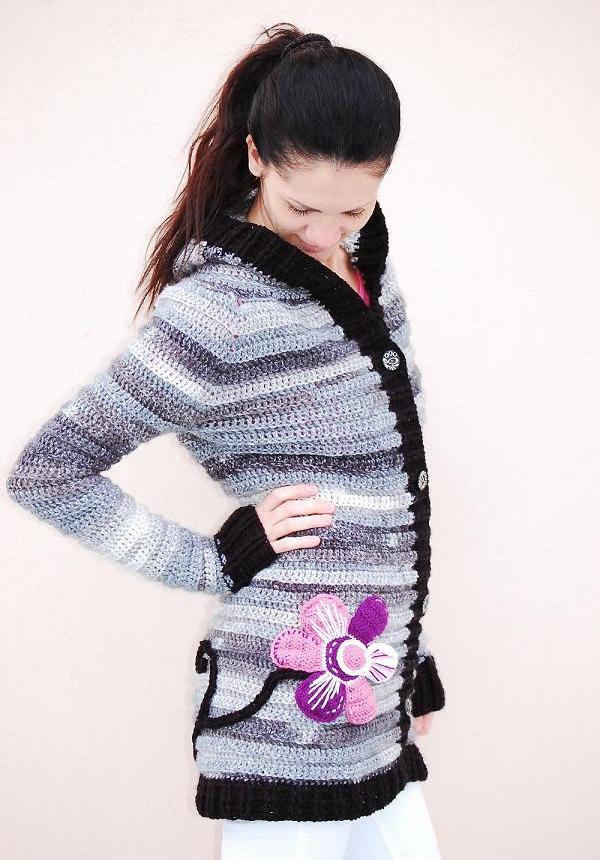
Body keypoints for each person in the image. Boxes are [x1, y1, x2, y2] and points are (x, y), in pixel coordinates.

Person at [5, 23, 446, 859]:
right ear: (255, 158)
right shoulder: (218, 314)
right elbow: (50, 473)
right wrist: (214, 560)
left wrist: (407, 658)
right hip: (283, 716)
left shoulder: (369, 276)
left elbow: (381, 503)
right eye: (301, 207)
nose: (324, 233)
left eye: (352, 208)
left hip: (370, 697)